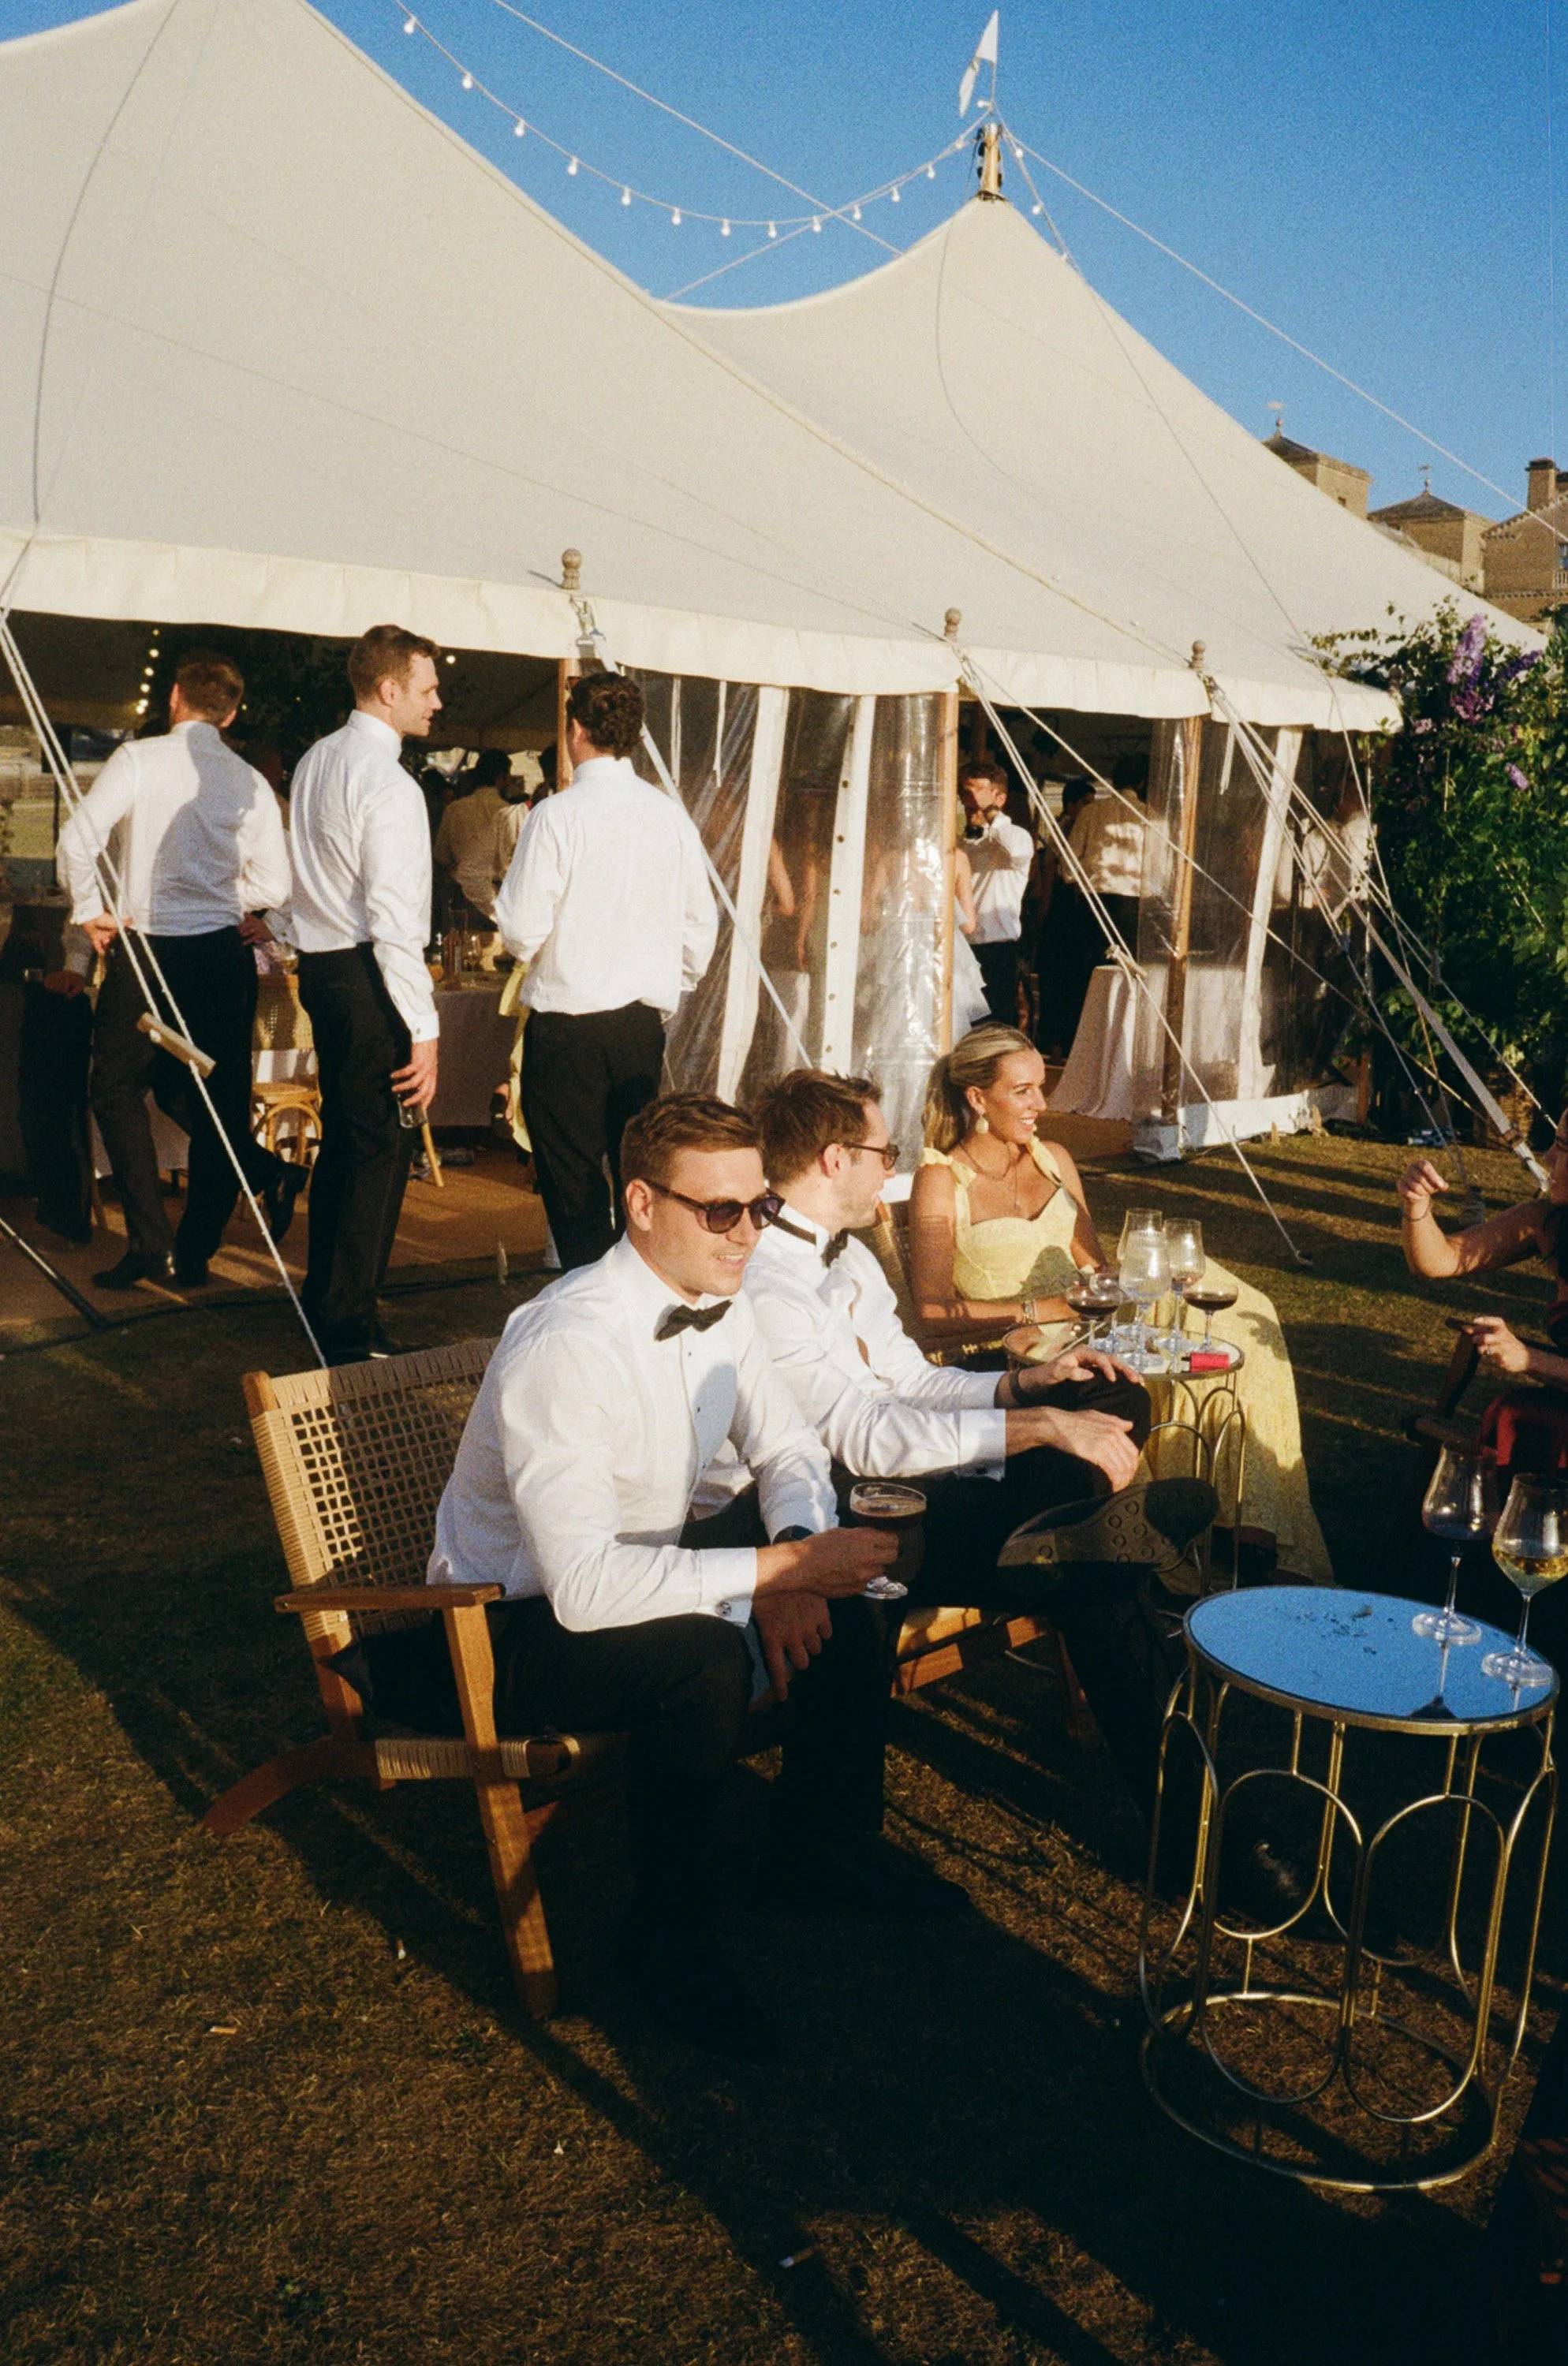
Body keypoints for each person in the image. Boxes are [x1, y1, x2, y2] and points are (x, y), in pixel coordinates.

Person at [339, 1095, 946, 2060]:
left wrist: (794, 1563)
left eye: (755, 1207)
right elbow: (580, 1588)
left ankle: (820, 1849)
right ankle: (669, 1940)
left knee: (850, 1560)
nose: (748, 1232)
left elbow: (789, 1446)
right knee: (701, 1658)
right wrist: (779, 1564)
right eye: (720, 1210)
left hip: (639, 1572)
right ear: (639, 1203)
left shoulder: (724, 1297)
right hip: (494, 1629)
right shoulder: (567, 1342)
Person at [740, 1067, 1220, 1842]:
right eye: (881, 1149)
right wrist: (1035, 1429)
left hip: (911, 1470)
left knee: (1101, 1398)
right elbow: (859, 1439)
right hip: (842, 1500)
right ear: (833, 1159)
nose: (892, 1164)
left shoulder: (848, 1255)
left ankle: (1065, 1525)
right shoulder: (767, 1285)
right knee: (1091, 1556)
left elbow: (904, 1378)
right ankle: (1206, 1834)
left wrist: (1025, 1385)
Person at [909, 1025, 1332, 1580]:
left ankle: (1249, 1531)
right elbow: (932, 1313)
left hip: (1098, 1325)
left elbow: (1096, 1267)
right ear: (977, 1098)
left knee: (1246, 1319)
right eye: (1024, 1091)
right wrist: (1043, 1308)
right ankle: (1192, 1540)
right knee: (1171, 1362)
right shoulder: (941, 1181)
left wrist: (1121, 1281)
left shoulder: (1053, 1158)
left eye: (1041, 1086)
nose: (1042, 1102)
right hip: (1027, 1352)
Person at [55, 649, 304, 1289]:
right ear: (232, 713)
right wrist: (259, 914)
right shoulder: (250, 779)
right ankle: (193, 1251)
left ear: (173, 699)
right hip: (221, 952)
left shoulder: (139, 759)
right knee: (218, 1100)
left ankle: (151, 1241)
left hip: (148, 947)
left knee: (115, 1090)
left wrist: (89, 910)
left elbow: (78, 839)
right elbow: (276, 880)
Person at [496, 671, 718, 1270]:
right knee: (637, 1179)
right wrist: (671, 989)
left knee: (572, 1187)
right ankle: (635, 1296)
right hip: (638, 1024)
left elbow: (519, 928)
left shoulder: (557, 816)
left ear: (574, 730)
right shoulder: (668, 816)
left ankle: (588, 1299)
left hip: (568, 1023)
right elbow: (703, 924)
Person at [287, 625, 442, 1363]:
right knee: (379, 1144)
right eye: (427, 687)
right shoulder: (387, 782)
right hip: (365, 972)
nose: (437, 702)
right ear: (389, 689)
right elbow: (393, 918)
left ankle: (328, 1300)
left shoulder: (318, 760)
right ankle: (348, 1321)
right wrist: (425, 1026)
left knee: (349, 1143)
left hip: (322, 969)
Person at [1396, 1129, 1568, 1661]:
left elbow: (1532, 1362)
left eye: (1564, 1146)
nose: (1547, 1156)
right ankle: (1487, 1627)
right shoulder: (1547, 1219)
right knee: (1511, 1415)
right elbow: (1442, 1260)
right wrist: (1417, 1208)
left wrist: (1531, 1360)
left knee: (1518, 1417)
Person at [958, 758, 1034, 1024]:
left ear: (999, 798)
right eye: (965, 792)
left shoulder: (1016, 836)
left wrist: (988, 809)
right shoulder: (961, 843)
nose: (970, 800)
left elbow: (1016, 852)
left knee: (999, 1020)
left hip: (998, 947)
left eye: (977, 791)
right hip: (963, 947)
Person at [1029, 776, 1096, 1058]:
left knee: (1072, 977)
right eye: (1086, 803)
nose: (1090, 809)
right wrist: (1044, 913)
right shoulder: (1064, 828)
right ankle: (1053, 1038)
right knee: (1056, 976)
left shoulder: (1084, 827)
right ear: (1071, 804)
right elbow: (1049, 869)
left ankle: (1066, 1038)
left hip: (1074, 910)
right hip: (1062, 906)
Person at [435, 748, 512, 926]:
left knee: (461, 951)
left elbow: (442, 858)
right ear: (501, 778)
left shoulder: (455, 810)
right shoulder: (509, 813)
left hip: (463, 897)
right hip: (500, 898)